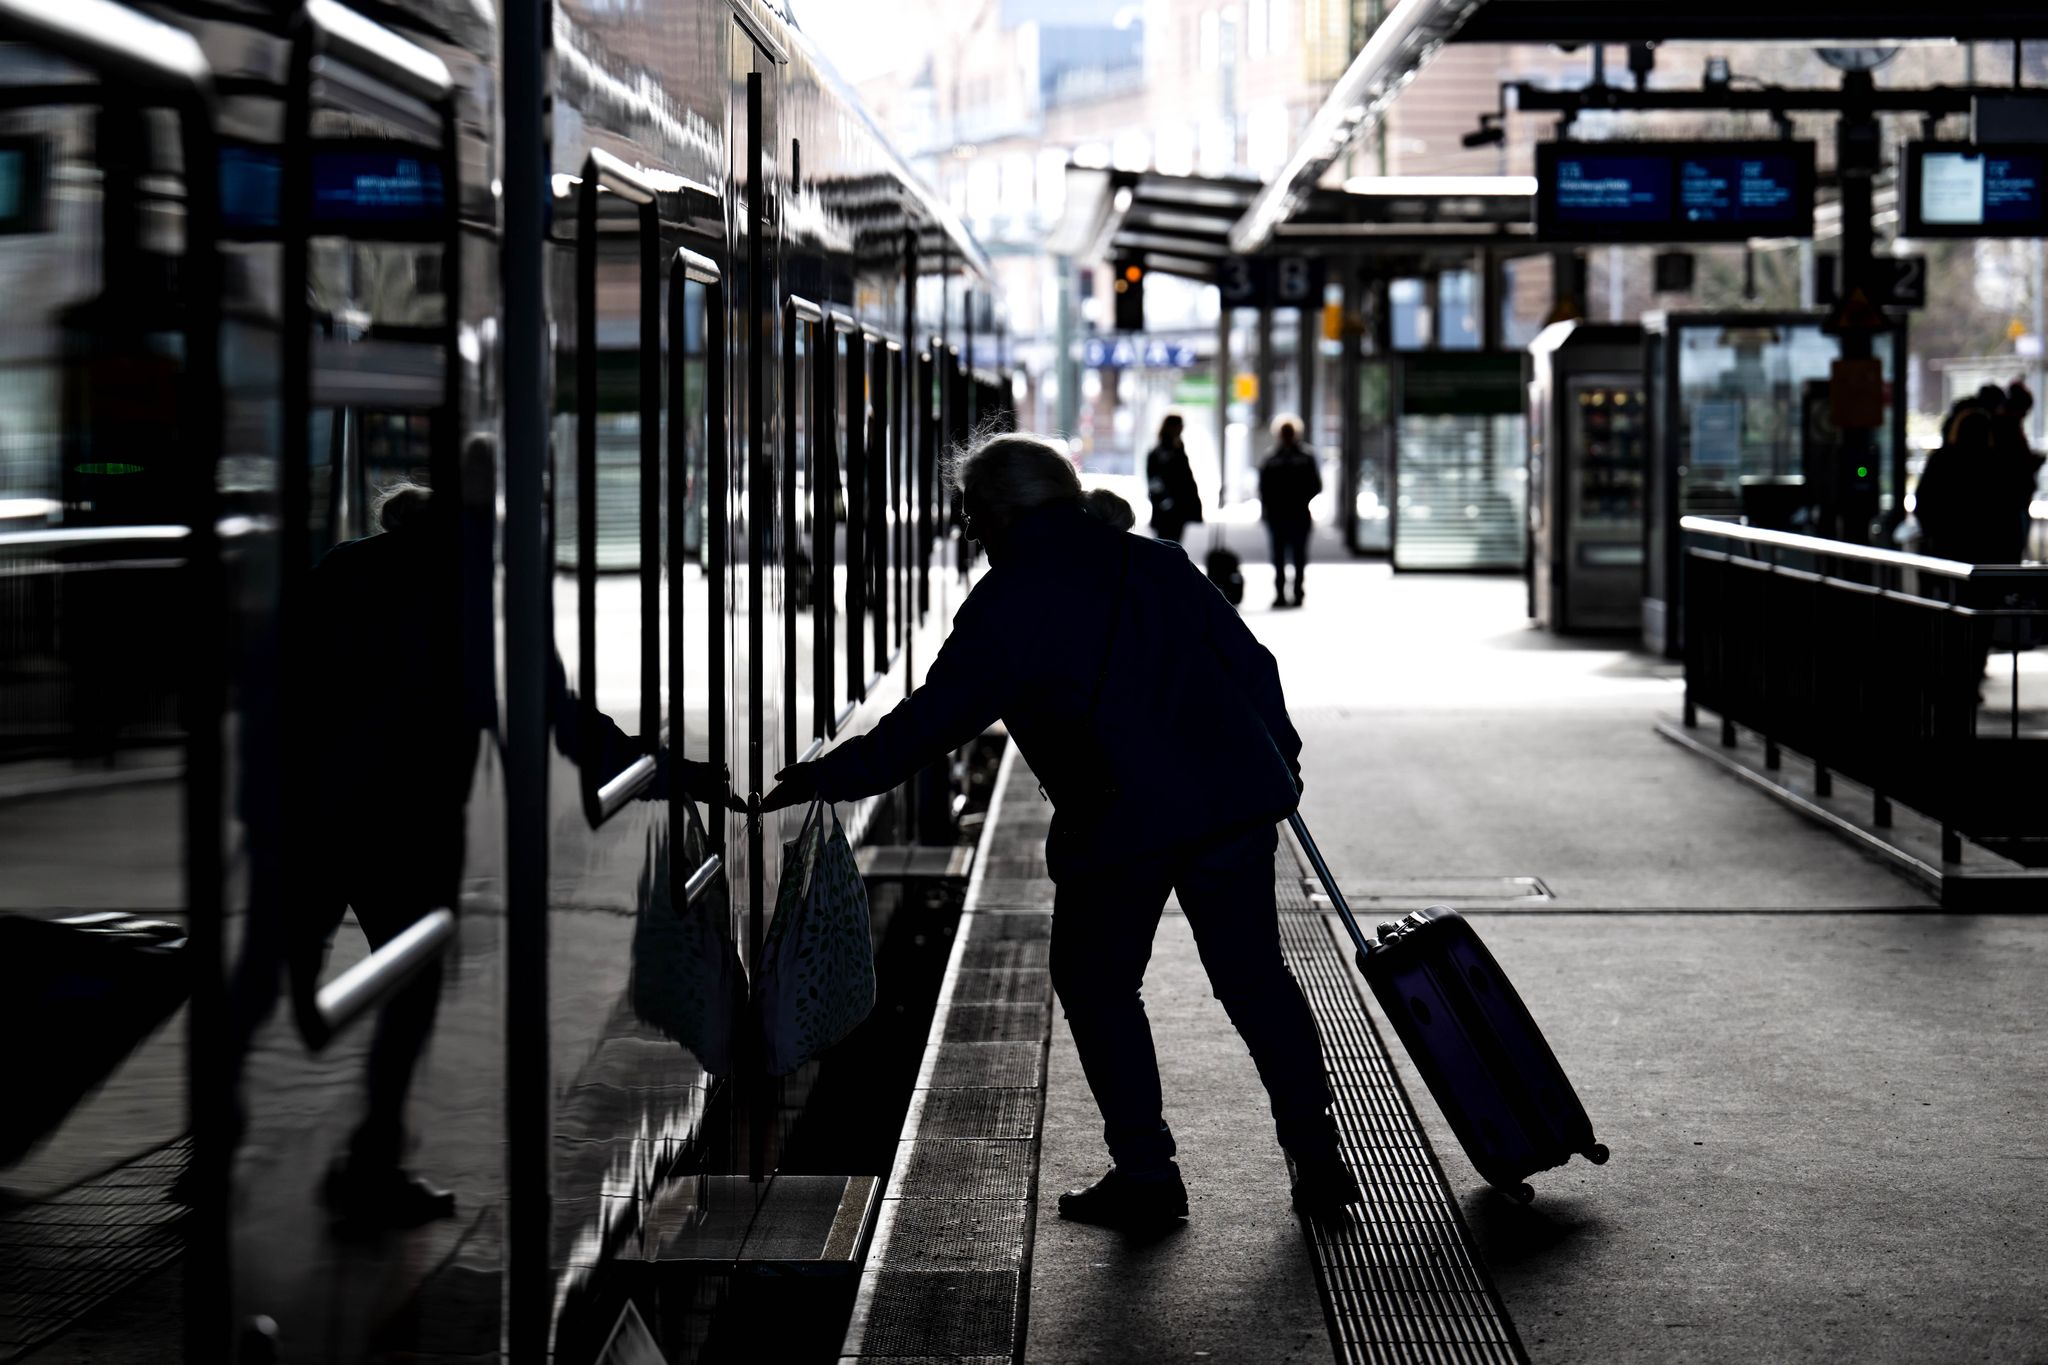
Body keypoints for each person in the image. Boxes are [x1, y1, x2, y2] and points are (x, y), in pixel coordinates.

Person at [762, 433, 1360, 1227]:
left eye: (973, 513)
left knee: (1097, 983)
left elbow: (928, 725)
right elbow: (1254, 667)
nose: (971, 531)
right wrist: (1276, 766)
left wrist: (825, 777)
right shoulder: (1157, 564)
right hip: (1229, 805)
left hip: (1120, 823)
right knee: (1256, 980)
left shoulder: (1006, 602)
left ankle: (1147, 1173)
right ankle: (1316, 1153)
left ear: (1005, 511)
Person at [1258, 417, 1321, 608]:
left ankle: (1297, 591)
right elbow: (1263, 488)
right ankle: (1281, 592)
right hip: (1282, 514)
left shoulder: (1301, 457)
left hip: (1296, 513)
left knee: (1298, 555)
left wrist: (1299, 500)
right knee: (1280, 556)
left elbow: (1315, 485)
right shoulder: (1273, 458)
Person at [1145, 413, 1202, 543]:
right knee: (1168, 543)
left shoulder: (1176, 449)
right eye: (1179, 426)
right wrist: (1164, 500)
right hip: (1169, 506)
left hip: (1176, 505)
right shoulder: (1162, 452)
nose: (1181, 429)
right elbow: (1155, 480)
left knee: (1170, 543)